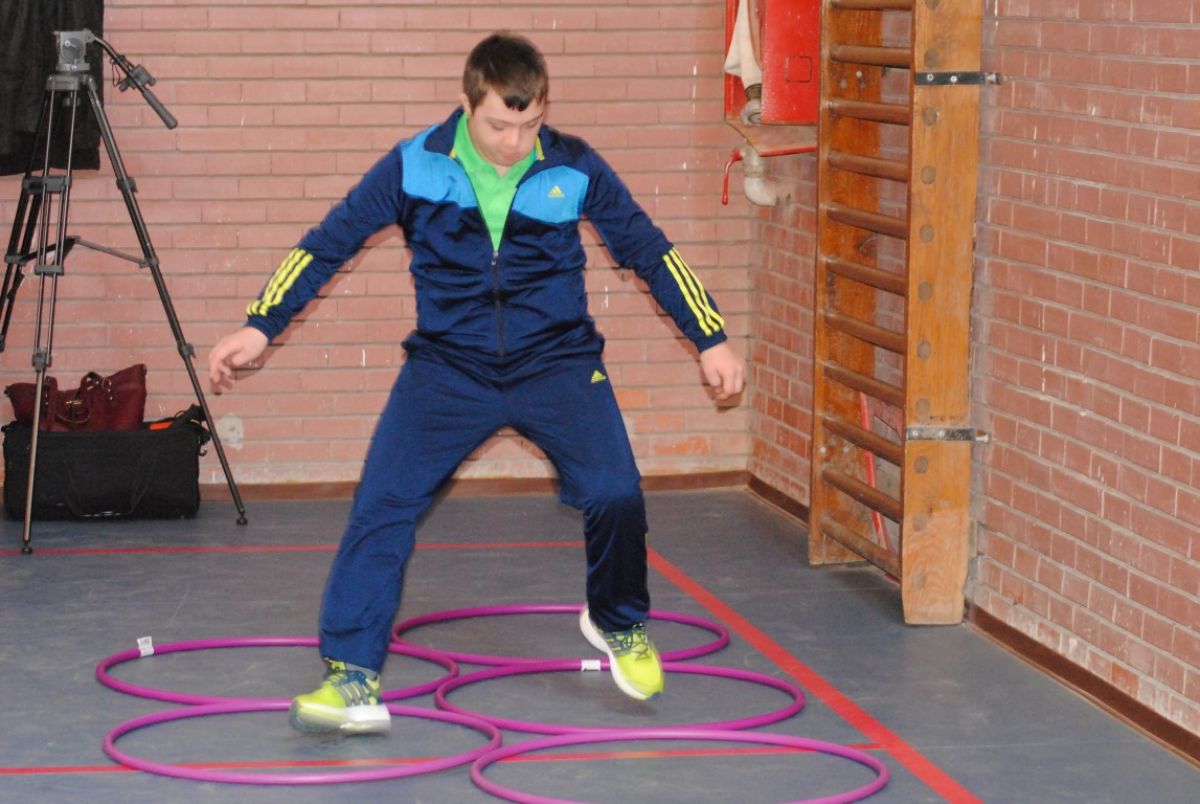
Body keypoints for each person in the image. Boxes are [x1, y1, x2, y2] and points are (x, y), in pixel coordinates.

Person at [208, 32, 744, 735]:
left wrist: (711, 336)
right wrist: (260, 324)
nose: (515, 143)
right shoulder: (414, 165)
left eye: (530, 125)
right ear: (467, 106)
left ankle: (618, 621)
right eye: (498, 126)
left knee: (615, 492)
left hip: (556, 361)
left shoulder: (573, 165)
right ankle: (352, 676)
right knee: (382, 505)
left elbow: (649, 249)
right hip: (448, 368)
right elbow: (327, 243)